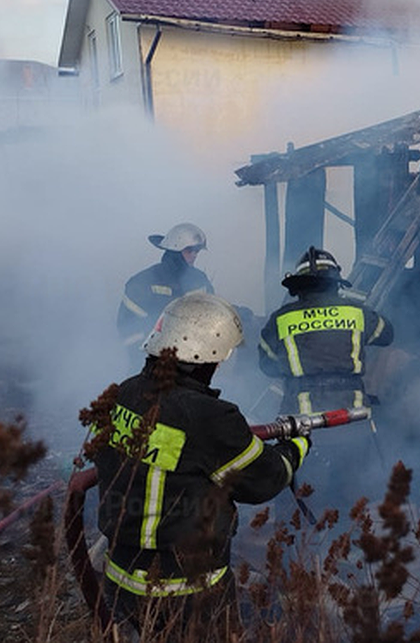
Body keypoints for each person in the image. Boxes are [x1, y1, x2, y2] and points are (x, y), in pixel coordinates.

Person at [92, 291, 310, 640]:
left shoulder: (122, 394)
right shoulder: (209, 417)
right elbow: (264, 479)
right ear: (208, 355)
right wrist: (297, 445)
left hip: (119, 579)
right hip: (184, 590)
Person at [258, 247, 394, 415]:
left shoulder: (280, 319)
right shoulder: (357, 312)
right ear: (336, 283)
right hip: (352, 416)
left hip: (301, 420)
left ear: (298, 286)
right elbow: (387, 335)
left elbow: (267, 365)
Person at [117, 223, 214, 366]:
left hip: (191, 364)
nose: (194, 255)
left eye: (197, 251)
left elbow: (211, 315)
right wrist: (150, 357)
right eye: (189, 250)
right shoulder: (142, 282)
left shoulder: (200, 281)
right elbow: (128, 328)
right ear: (174, 251)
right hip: (150, 365)